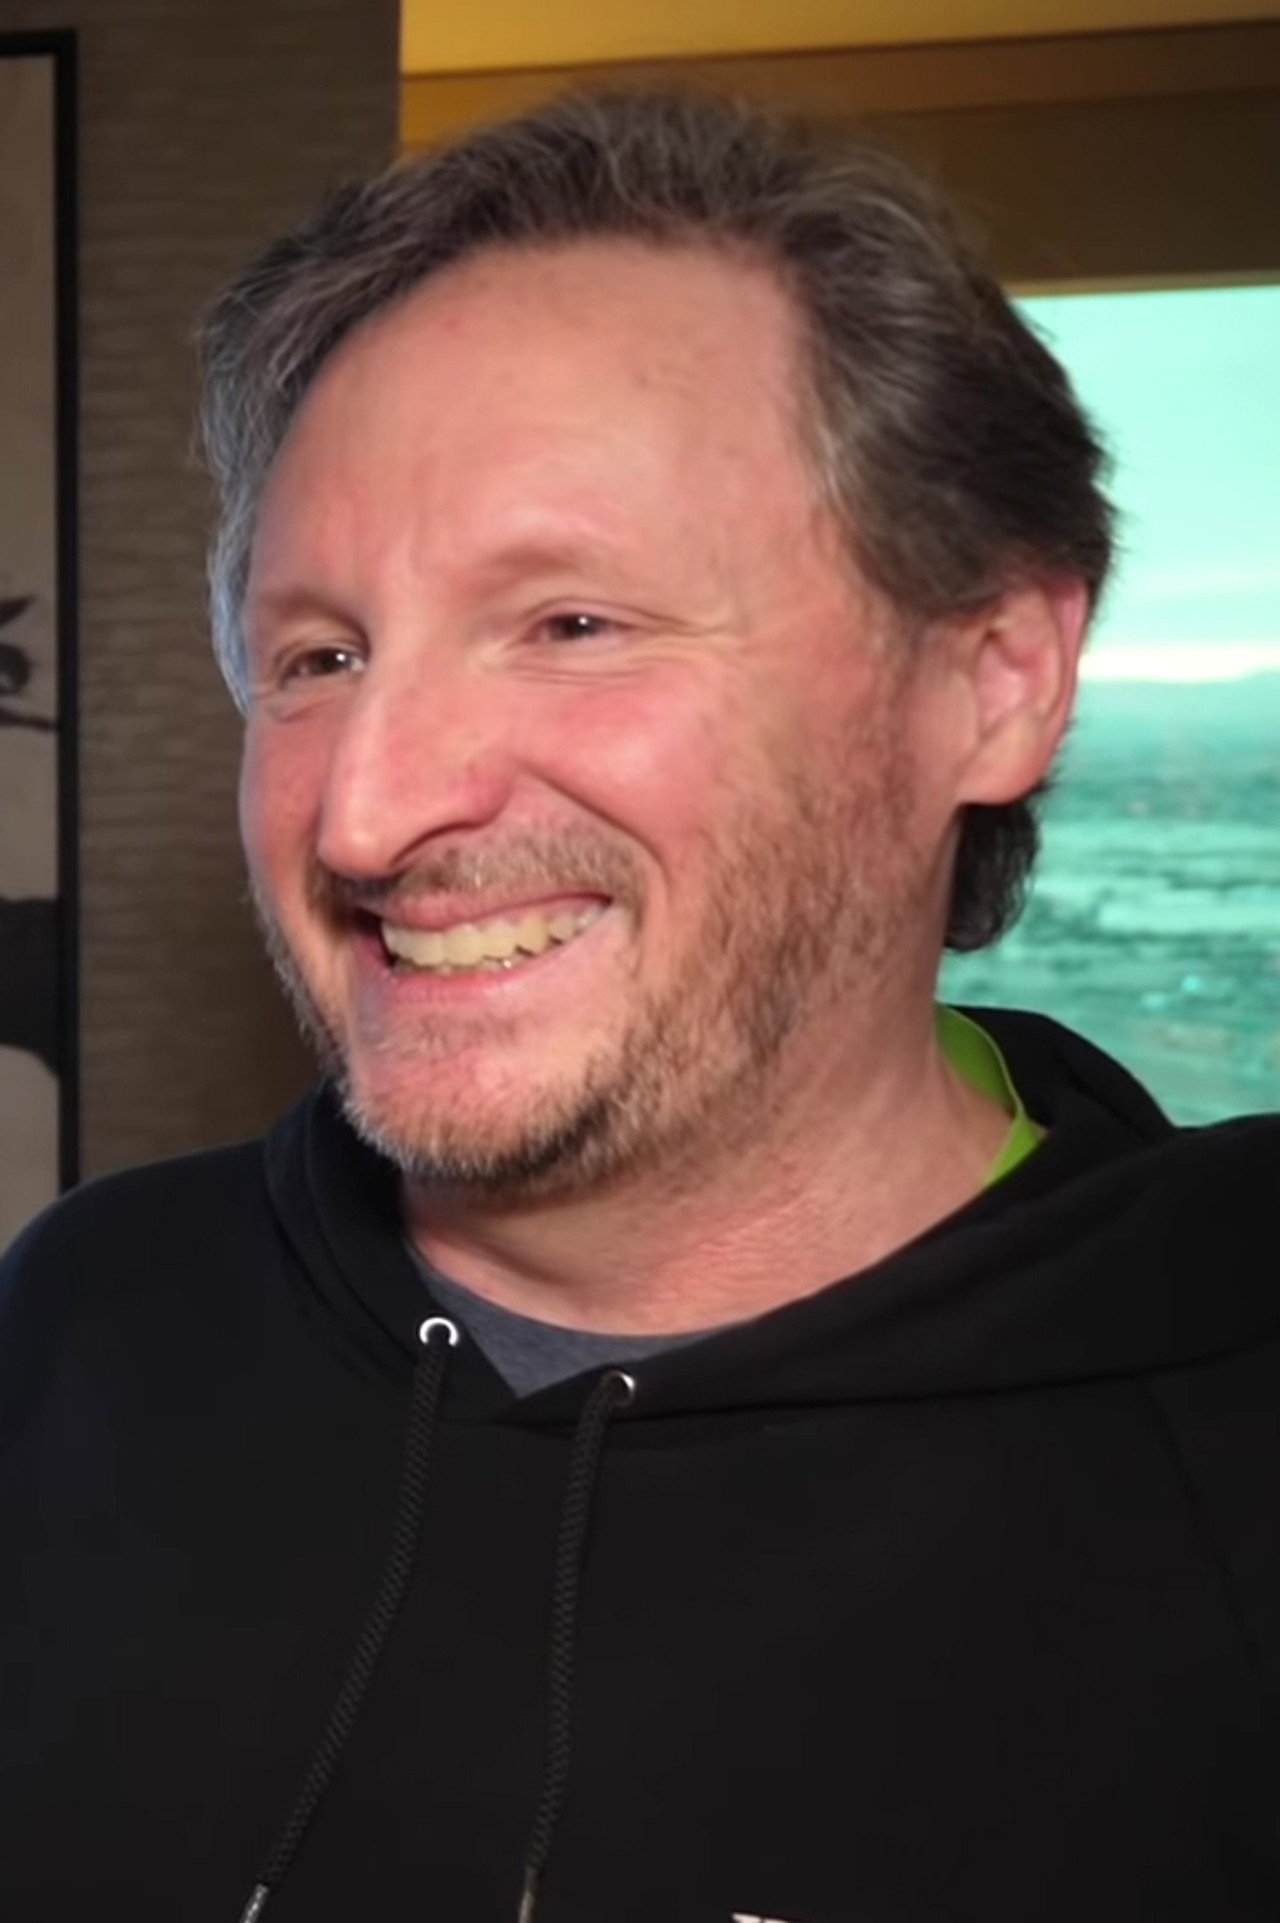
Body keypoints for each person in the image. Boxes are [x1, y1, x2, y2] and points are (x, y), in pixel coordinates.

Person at [2, 90, 1277, 1923]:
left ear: (992, 683)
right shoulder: (86, 1325)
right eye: (319, 655)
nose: (365, 813)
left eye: (573, 625)